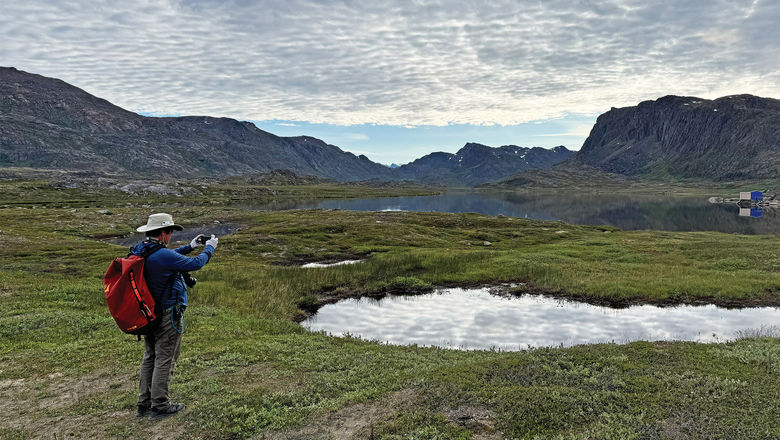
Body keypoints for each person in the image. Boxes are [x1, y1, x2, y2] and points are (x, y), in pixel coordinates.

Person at [130, 213, 218, 420]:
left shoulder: (143, 250)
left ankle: (144, 403)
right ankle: (160, 405)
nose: (170, 235)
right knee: (165, 358)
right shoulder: (161, 255)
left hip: (150, 314)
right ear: (162, 233)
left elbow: (167, 258)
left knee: (150, 357)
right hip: (168, 314)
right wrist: (209, 248)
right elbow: (195, 264)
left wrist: (190, 245)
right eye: (169, 231)